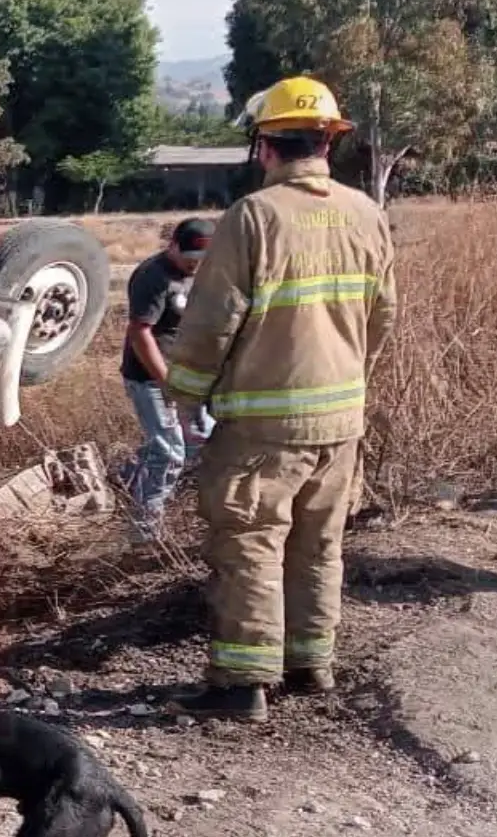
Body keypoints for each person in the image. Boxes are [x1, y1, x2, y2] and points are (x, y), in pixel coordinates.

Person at [161, 76, 396, 722]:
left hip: (264, 428)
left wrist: (185, 395)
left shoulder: (254, 217)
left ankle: (242, 684)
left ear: (264, 146)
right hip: (340, 420)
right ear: (328, 142)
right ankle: (311, 664)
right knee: (319, 544)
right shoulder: (366, 214)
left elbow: (212, 322)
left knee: (250, 544)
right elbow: (382, 315)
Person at [118, 216, 215, 536]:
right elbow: (139, 333)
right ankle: (144, 533)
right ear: (173, 245)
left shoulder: (204, 274)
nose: (194, 264)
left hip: (187, 374)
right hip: (149, 378)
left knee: (201, 440)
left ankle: (124, 480)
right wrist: (166, 383)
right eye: (189, 258)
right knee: (168, 453)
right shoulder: (153, 277)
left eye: (200, 259)